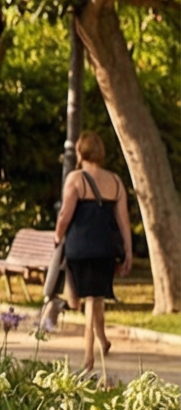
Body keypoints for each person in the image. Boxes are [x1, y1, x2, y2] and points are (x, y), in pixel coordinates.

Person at [55, 130, 132, 372]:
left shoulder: (76, 179)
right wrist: (128, 251)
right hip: (106, 249)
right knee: (96, 296)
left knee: (91, 298)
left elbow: (65, 214)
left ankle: (88, 357)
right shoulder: (116, 181)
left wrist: (58, 235)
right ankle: (103, 340)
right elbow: (123, 220)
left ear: (80, 151)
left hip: (80, 247)